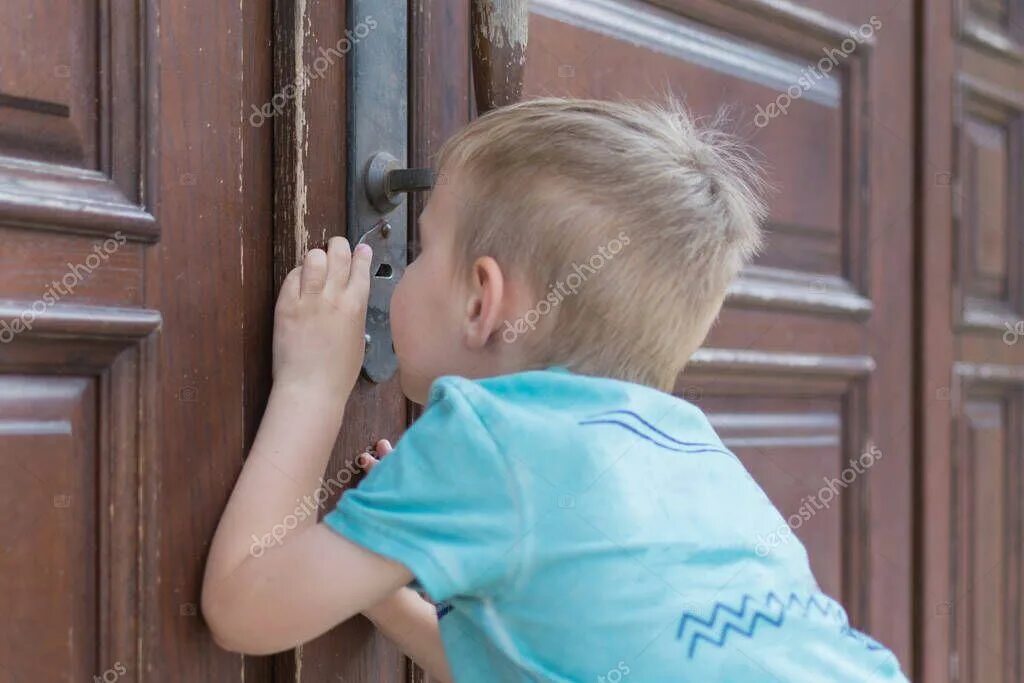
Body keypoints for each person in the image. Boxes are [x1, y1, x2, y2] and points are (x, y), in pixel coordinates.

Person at [201, 97, 909, 682]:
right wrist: (384, 573)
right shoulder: (692, 453)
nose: (400, 270)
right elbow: (537, 664)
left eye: (419, 249)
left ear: (483, 301)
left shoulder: (491, 438)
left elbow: (243, 606)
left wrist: (313, 383)